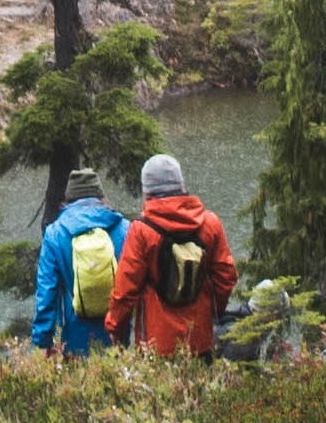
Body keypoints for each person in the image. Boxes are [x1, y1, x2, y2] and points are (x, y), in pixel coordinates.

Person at [101, 150, 237, 359]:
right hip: (200, 341)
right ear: (181, 185)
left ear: (148, 191)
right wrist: (211, 313)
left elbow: (125, 290)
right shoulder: (210, 223)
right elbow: (226, 278)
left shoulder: (142, 230)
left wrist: (114, 328)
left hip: (155, 344)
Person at [26, 164, 131, 356]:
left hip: (76, 337)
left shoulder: (55, 233)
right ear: (101, 197)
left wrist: (44, 341)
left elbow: (47, 292)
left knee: (80, 383)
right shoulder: (125, 228)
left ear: (69, 198)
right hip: (118, 334)